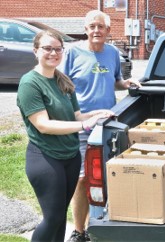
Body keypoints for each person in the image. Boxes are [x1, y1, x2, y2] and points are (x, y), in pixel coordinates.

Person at [16, 30, 113, 242]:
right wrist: (82, 125)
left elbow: (77, 115)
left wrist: (96, 114)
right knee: (52, 218)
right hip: (46, 158)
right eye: (47, 48)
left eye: (57, 49)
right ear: (36, 51)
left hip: (70, 156)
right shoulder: (30, 83)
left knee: (60, 217)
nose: (53, 53)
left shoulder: (63, 80)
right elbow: (43, 125)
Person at [60, 10, 141, 242]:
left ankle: (104, 221)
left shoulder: (113, 53)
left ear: (108, 30)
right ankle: (79, 230)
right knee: (83, 178)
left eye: (101, 27)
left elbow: (115, 81)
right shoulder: (73, 52)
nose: (96, 30)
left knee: (110, 175)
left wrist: (126, 83)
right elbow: (61, 87)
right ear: (86, 30)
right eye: (92, 26)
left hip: (108, 123)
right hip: (82, 124)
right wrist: (76, 117)